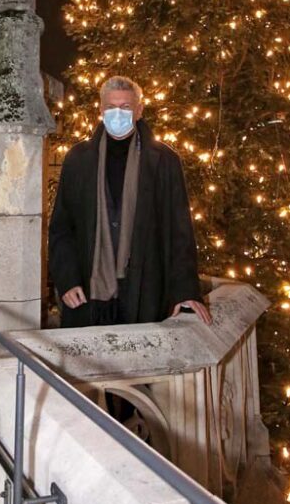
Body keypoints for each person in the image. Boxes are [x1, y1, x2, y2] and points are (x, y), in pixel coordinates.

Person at [49, 75, 211, 328]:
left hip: (144, 291)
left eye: (125, 107)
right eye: (111, 107)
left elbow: (179, 231)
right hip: (86, 295)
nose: (118, 113)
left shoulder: (164, 161)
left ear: (139, 110)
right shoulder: (78, 159)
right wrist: (67, 280)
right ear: (101, 110)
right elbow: (62, 228)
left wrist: (185, 291)